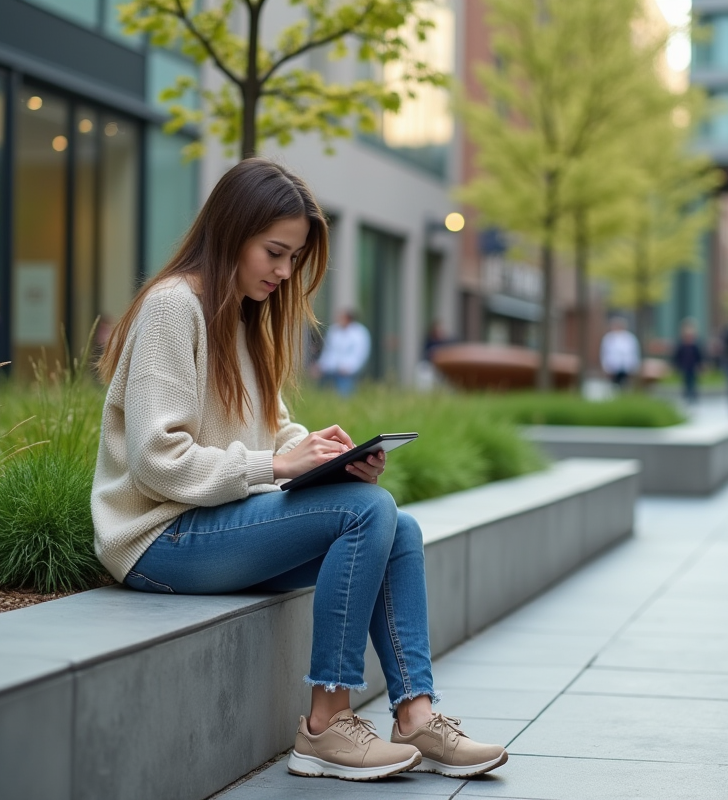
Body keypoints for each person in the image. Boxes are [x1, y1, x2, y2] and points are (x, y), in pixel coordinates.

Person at [91, 158, 507, 782]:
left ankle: (416, 715)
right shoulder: (173, 308)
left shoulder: (243, 316)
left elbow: (270, 428)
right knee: (367, 513)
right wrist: (275, 464)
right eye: (275, 253)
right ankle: (325, 726)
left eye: (295, 258)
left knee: (400, 531)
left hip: (215, 523)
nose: (286, 273)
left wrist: (323, 453)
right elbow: (158, 461)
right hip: (160, 539)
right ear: (232, 231)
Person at [318, 309, 370, 395]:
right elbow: (328, 351)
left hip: (347, 372)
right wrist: (321, 365)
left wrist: (350, 367)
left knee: (344, 395)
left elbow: (360, 354)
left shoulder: (359, 333)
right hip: (331, 369)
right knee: (324, 394)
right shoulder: (334, 331)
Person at [600, 316, 640, 389]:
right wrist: (605, 366)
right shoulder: (609, 338)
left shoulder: (630, 338)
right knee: (614, 384)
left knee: (625, 383)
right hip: (613, 365)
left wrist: (634, 365)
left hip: (626, 365)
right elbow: (604, 353)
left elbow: (634, 352)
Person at [672, 319, 704, 404]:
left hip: (693, 366)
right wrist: (676, 365)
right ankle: (687, 395)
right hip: (685, 365)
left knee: (693, 381)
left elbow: (699, 356)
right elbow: (677, 356)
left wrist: (701, 365)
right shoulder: (682, 344)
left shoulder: (695, 345)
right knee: (686, 381)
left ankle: (693, 395)